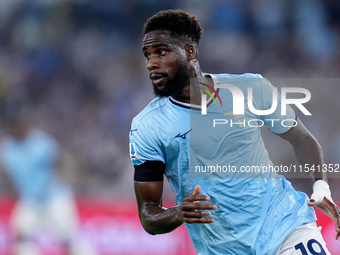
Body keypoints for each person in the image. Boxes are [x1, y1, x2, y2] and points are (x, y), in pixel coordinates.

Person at [129, 9, 340, 255]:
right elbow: (148, 215)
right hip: (223, 248)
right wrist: (178, 213)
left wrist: (321, 188)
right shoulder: (147, 126)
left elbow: (302, 139)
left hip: (286, 228)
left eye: (160, 52)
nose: (151, 64)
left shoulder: (252, 88)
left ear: (189, 52)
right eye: (147, 55)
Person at [0, 111, 97, 255]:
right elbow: (8, 174)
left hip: (54, 197)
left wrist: (61, 178)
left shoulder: (40, 142)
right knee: (19, 236)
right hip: (31, 199)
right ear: (14, 128)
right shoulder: (8, 149)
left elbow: (58, 161)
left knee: (68, 238)